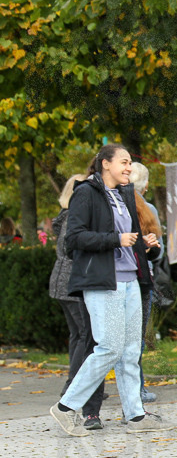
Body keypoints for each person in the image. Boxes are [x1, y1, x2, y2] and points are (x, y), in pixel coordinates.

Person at [50, 144, 175, 435]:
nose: (129, 167)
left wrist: (143, 245)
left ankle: (135, 415)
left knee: (130, 350)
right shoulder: (85, 193)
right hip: (101, 281)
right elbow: (74, 239)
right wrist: (116, 239)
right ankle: (66, 408)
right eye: (124, 161)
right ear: (105, 164)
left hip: (131, 279)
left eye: (130, 163)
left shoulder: (124, 194)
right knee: (109, 347)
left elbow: (125, 240)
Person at [49, 174, 105, 431]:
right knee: (85, 337)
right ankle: (75, 386)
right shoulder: (74, 218)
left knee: (78, 336)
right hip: (72, 284)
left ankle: (73, 384)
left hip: (61, 283)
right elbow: (71, 250)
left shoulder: (64, 217)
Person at [129, 163, 162, 404]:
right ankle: (136, 387)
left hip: (121, 276)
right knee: (136, 336)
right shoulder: (148, 208)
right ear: (146, 184)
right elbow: (158, 252)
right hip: (142, 277)